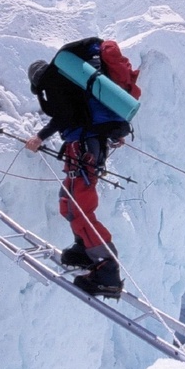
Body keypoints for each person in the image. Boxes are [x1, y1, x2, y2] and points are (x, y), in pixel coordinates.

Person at [25, 53, 125, 298]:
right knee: (68, 204)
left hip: (83, 150)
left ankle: (107, 270)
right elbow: (80, 115)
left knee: (81, 209)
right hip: (80, 149)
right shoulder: (71, 86)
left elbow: (66, 116)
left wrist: (40, 136)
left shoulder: (58, 87)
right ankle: (84, 249)